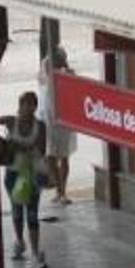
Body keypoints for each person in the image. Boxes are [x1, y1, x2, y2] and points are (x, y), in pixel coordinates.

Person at [0, 92, 48, 268]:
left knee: (32, 214)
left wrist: (15, 146)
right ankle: (20, 241)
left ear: (35, 107)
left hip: (34, 174)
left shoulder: (41, 126)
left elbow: (41, 150)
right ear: (19, 106)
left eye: (31, 105)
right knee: (17, 210)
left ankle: (35, 253)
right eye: (24, 104)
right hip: (13, 174)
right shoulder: (11, 121)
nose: (27, 108)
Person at [38, 46, 76, 205]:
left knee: (64, 157)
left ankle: (62, 191)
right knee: (51, 156)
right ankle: (59, 190)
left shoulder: (68, 75)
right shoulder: (45, 76)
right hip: (48, 120)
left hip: (64, 121)